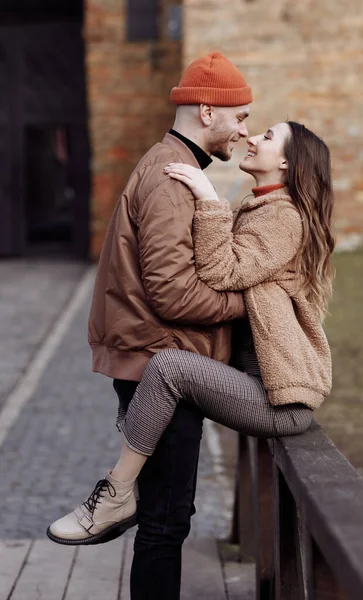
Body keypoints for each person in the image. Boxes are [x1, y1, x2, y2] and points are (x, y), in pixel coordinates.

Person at [49, 118, 334, 552]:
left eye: (268, 136)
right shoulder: (262, 206)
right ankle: (130, 489)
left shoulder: (284, 216)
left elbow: (221, 270)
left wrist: (206, 198)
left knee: (167, 367)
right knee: (166, 375)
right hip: (262, 390)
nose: (253, 137)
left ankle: (117, 494)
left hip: (280, 401)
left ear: (288, 163)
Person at [47, 52, 252, 599]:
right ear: (209, 112)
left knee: (167, 515)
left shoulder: (174, 168)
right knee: (164, 523)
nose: (246, 129)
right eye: (241, 116)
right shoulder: (169, 180)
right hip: (158, 365)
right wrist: (251, 302)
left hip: (159, 361)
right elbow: (172, 291)